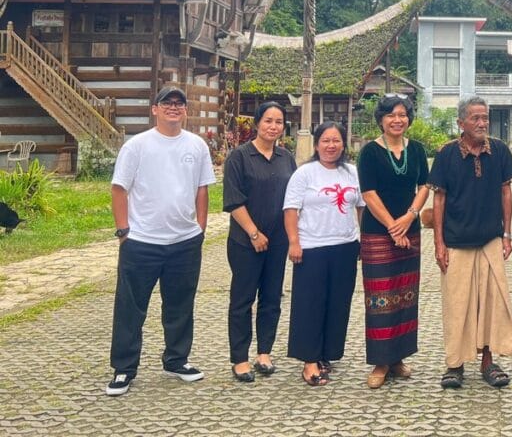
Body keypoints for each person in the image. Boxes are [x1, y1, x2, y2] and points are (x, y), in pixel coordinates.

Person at [106, 85, 216, 396]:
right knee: (130, 307)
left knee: (180, 305)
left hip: (184, 241)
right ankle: (124, 368)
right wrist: (123, 230)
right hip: (141, 241)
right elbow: (119, 189)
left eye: (178, 104)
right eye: (166, 103)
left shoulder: (196, 146)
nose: (173, 108)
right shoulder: (137, 146)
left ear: (185, 110)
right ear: (154, 109)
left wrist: (201, 228)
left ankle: (176, 359)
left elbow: (202, 189)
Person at [428, 96, 512, 390]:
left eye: (485, 118)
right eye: (475, 118)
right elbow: (438, 198)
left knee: (492, 304)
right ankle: (455, 363)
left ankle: (488, 361)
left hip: (491, 240)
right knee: (458, 305)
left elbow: (506, 192)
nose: (482, 123)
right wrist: (439, 243)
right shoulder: (446, 155)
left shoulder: (500, 151)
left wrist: (506, 234)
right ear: (461, 123)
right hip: (456, 243)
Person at [357, 94, 430, 389]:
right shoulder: (369, 152)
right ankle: (380, 361)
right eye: (391, 115)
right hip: (378, 232)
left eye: (402, 114)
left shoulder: (418, 150)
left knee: (405, 293)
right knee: (380, 297)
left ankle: (398, 357)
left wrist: (410, 217)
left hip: (409, 230)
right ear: (381, 120)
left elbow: (425, 185)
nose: (397, 120)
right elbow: (368, 194)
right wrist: (392, 226)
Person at [283, 121, 364, 386]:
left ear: (344, 144)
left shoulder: (352, 172)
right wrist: (294, 242)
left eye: (336, 141)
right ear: (317, 145)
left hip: (345, 246)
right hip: (312, 247)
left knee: (338, 303)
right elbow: (291, 209)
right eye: (325, 141)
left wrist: (361, 237)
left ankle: (326, 353)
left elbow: (361, 206)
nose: (331, 146)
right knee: (310, 304)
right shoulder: (305, 173)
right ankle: (308, 360)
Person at [222, 101, 296, 382]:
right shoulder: (239, 157)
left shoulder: (286, 158)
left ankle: (264, 352)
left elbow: (294, 198)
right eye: (268, 121)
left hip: (278, 241)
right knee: (242, 300)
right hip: (245, 241)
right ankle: (239, 358)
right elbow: (233, 200)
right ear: (256, 123)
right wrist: (253, 232)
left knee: (271, 298)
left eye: (278, 122)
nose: (273, 126)